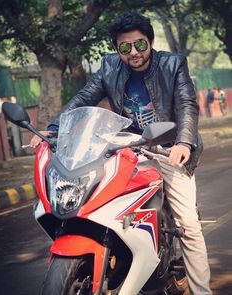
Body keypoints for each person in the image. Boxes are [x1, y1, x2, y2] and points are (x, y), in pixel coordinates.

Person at [30, 11, 212, 294]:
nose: (134, 53)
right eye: (125, 47)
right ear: (117, 49)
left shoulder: (173, 64)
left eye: (140, 44)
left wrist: (183, 143)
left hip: (168, 148)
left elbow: (187, 104)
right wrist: (55, 128)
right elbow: (83, 98)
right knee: (101, 201)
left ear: (150, 42)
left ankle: (202, 290)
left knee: (188, 224)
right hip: (128, 146)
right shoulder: (110, 66)